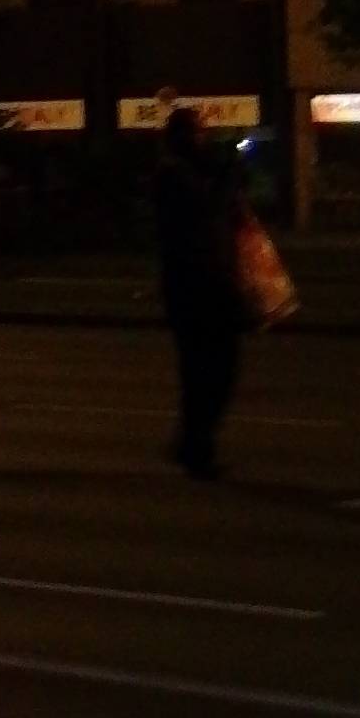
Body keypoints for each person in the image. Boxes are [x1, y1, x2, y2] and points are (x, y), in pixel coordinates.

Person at [156, 106, 245, 479]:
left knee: (217, 368)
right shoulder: (172, 173)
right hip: (193, 288)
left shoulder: (194, 171)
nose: (204, 138)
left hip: (213, 283)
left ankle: (194, 441)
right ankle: (196, 446)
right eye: (198, 132)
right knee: (202, 372)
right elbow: (206, 208)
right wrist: (226, 175)